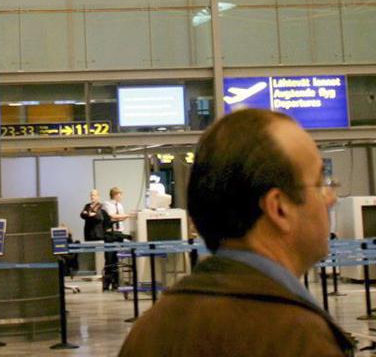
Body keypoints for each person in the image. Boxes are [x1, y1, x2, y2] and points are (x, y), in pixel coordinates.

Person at [117, 108, 352, 357]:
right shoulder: (298, 337)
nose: (330, 199)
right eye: (320, 184)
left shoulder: (151, 329)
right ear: (279, 208)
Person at [101, 186, 128, 291]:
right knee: (109, 258)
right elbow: (112, 216)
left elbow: (121, 217)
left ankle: (116, 282)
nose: (121, 197)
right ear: (115, 195)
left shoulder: (120, 206)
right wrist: (124, 216)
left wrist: (122, 216)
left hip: (118, 232)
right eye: (120, 194)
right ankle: (107, 282)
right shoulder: (107, 204)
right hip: (110, 234)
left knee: (116, 258)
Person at [80, 191, 107, 278]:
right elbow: (82, 215)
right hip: (88, 233)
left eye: (94, 195)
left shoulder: (100, 205)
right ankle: (91, 273)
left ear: (98, 196)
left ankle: (100, 274)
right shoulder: (87, 206)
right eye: (91, 195)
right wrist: (89, 214)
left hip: (98, 233)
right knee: (90, 253)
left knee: (99, 254)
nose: (92, 197)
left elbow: (99, 217)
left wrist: (88, 214)